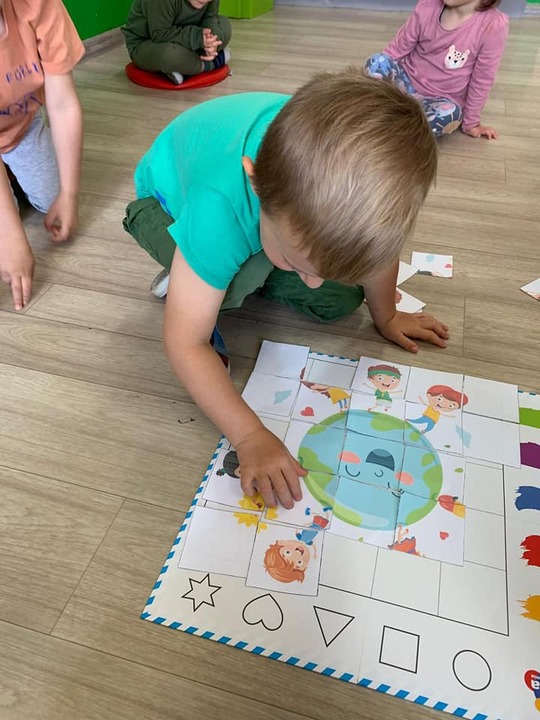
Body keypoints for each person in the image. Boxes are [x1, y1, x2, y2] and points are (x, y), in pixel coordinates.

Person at [123, 69, 447, 511]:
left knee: (340, 297)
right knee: (232, 285)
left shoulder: (346, 197)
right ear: (256, 183)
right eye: (299, 266)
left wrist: (386, 315)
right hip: (164, 206)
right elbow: (185, 343)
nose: (311, 280)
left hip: (257, 218)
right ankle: (190, 275)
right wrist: (249, 435)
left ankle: (245, 267)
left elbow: (378, 255)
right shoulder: (218, 205)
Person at [0, 0, 84, 310]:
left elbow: (62, 104)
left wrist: (69, 193)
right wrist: (10, 233)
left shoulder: (38, 5)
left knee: (51, 198)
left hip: (20, 125)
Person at [364, 0, 509, 138]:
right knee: (377, 61)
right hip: (406, 82)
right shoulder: (428, 5)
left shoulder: (494, 25)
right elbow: (397, 49)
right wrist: (382, 74)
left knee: (451, 115)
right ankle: (385, 114)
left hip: (439, 100)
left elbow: (482, 80)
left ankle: (391, 124)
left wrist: (471, 123)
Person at [122, 0, 231, 86]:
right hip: (150, 42)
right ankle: (210, 64)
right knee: (169, 54)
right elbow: (160, 34)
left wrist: (212, 40)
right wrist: (197, 37)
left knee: (224, 24)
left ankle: (187, 65)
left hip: (188, 36)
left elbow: (210, 18)